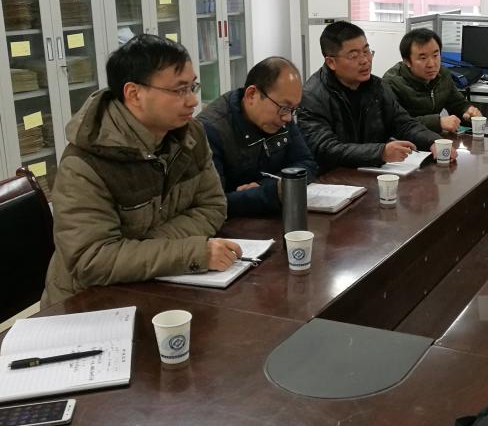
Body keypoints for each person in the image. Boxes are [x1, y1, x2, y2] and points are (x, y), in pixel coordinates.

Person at [43, 34, 239, 305]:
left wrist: (143, 249)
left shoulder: (190, 135)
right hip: (89, 304)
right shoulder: (85, 164)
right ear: (134, 94)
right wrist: (188, 252)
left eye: (192, 86)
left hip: (161, 284)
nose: (193, 101)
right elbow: (92, 259)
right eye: (179, 90)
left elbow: (213, 206)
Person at [298, 21, 444, 174]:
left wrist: (433, 141)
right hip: (333, 178)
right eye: (354, 56)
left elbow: (403, 123)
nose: (365, 60)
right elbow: (326, 149)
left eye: (366, 51)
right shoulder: (312, 96)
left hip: (373, 173)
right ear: (331, 62)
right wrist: (381, 152)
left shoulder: (376, 86)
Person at [198, 56, 317, 217]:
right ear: (251, 95)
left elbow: (306, 164)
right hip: (233, 227)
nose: (288, 118)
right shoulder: (210, 131)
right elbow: (214, 204)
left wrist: (266, 186)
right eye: (285, 107)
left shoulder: (280, 117)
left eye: (293, 109)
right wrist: (274, 191)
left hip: (271, 217)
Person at [383, 28, 481, 133]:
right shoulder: (392, 83)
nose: (431, 64)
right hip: (404, 141)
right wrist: (437, 123)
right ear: (407, 61)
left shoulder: (443, 74)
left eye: (435, 55)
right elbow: (395, 123)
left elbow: (457, 103)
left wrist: (468, 111)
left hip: (433, 138)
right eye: (423, 58)